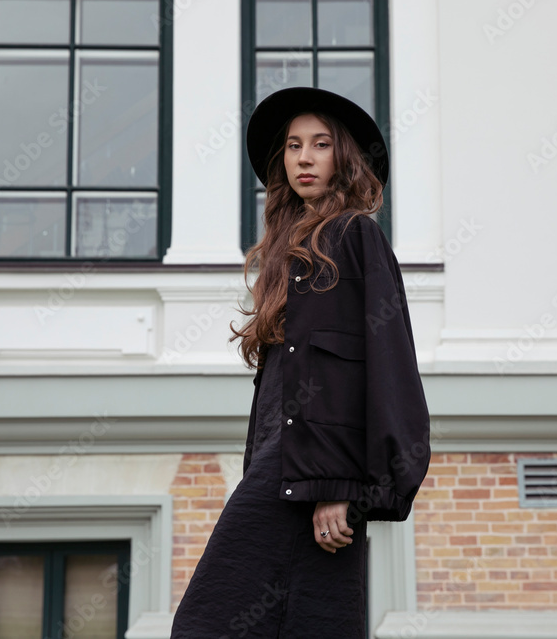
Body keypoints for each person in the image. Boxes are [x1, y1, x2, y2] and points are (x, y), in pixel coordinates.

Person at [169, 86, 431, 638]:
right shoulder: (287, 251)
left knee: (206, 621)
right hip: (285, 462)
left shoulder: (356, 236)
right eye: (292, 146)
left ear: (345, 157)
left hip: (314, 472)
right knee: (312, 621)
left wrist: (334, 485)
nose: (303, 158)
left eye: (319, 144)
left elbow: (380, 364)